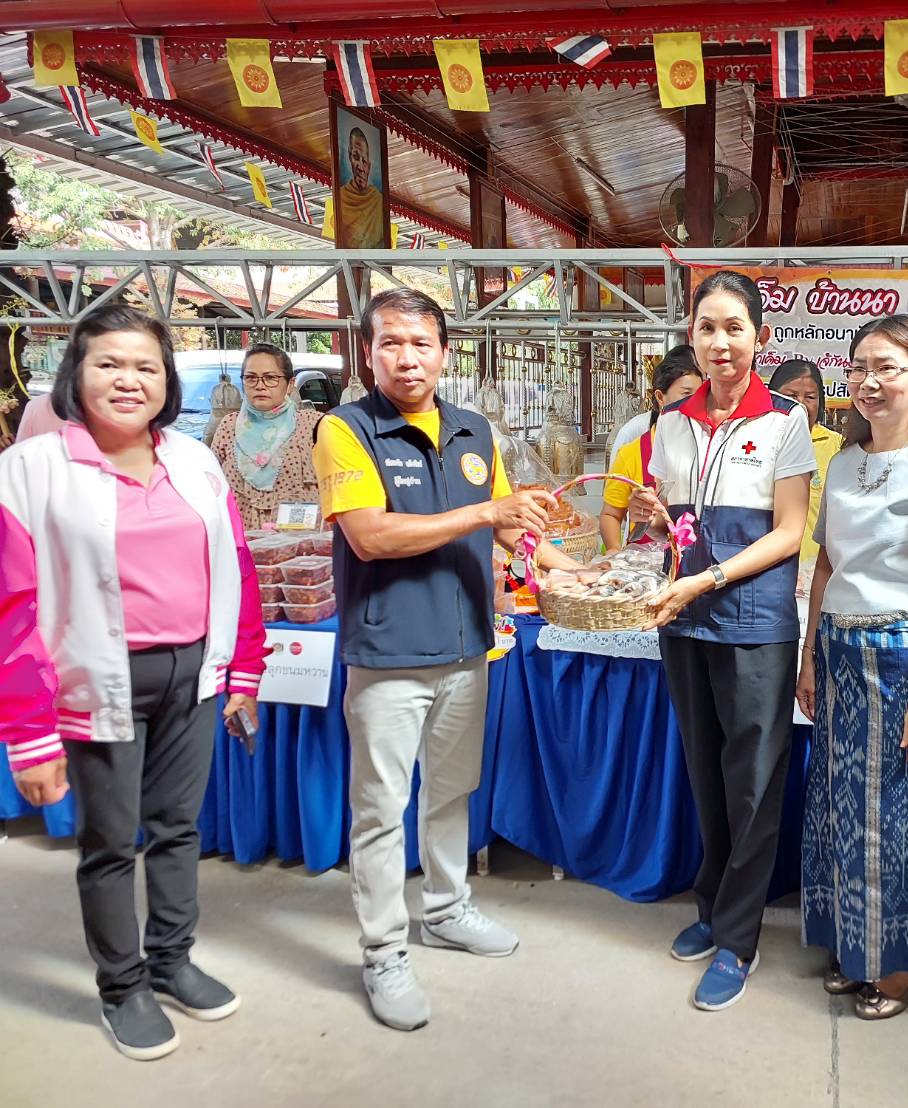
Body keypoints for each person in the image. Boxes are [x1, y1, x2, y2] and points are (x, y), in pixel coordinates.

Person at [0, 306, 268, 1061]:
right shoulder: (30, 470)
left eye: (146, 366)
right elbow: (11, 607)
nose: (129, 380)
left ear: (167, 381)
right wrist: (28, 734)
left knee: (179, 827)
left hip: (194, 674)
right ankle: (123, 987)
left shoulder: (194, 461)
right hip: (96, 677)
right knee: (111, 841)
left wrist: (242, 668)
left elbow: (236, 568)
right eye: (109, 364)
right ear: (74, 375)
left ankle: (172, 959)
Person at [312, 288, 578, 1032]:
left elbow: (510, 533)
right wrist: (485, 513)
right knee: (378, 811)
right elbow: (371, 536)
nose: (406, 357)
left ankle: (447, 907)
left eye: (421, 342)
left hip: (468, 646)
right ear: (367, 351)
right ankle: (383, 950)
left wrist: (566, 568)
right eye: (391, 342)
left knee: (451, 790)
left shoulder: (472, 430)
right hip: (388, 652)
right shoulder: (346, 429)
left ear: (444, 351)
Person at [631, 271, 814, 1011]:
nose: (720, 342)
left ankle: (738, 937)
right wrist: (652, 517)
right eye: (707, 327)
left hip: (754, 627)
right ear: (690, 336)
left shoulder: (783, 423)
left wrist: (703, 584)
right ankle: (709, 904)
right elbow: (674, 534)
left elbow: (791, 533)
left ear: (759, 338)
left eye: (734, 327)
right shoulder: (668, 426)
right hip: (685, 622)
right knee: (705, 773)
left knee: (753, 783)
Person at [796, 315, 908, 1019]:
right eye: (859, 367)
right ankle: (853, 943)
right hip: (839, 650)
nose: (869, 382)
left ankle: (901, 964)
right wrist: (811, 656)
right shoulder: (841, 461)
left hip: (903, 657)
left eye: (888, 368)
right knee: (839, 807)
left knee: (897, 815)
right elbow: (827, 567)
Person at [209, 343, 323, 531]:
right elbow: (212, 486)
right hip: (241, 544)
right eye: (251, 378)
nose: (260, 385)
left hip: (300, 546)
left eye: (271, 378)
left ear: (290, 384)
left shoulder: (315, 425)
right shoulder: (229, 426)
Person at [599, 350, 702, 551]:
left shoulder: (709, 448)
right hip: (645, 565)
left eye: (702, 395)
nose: (696, 403)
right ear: (660, 397)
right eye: (686, 394)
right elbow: (611, 514)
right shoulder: (632, 453)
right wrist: (613, 550)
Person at [768, 357, 843, 561]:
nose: (800, 404)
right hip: (767, 564)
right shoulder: (757, 441)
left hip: (817, 567)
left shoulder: (838, 447)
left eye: (809, 397)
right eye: (791, 395)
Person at [607, 344, 698, 468]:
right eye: (686, 393)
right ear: (660, 396)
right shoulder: (633, 432)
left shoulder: (701, 433)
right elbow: (616, 480)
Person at [338, 126, 386, 250]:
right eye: (356, 157)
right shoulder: (342, 197)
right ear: (349, 157)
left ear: (369, 166)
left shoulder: (378, 200)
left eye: (364, 161)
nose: (360, 167)